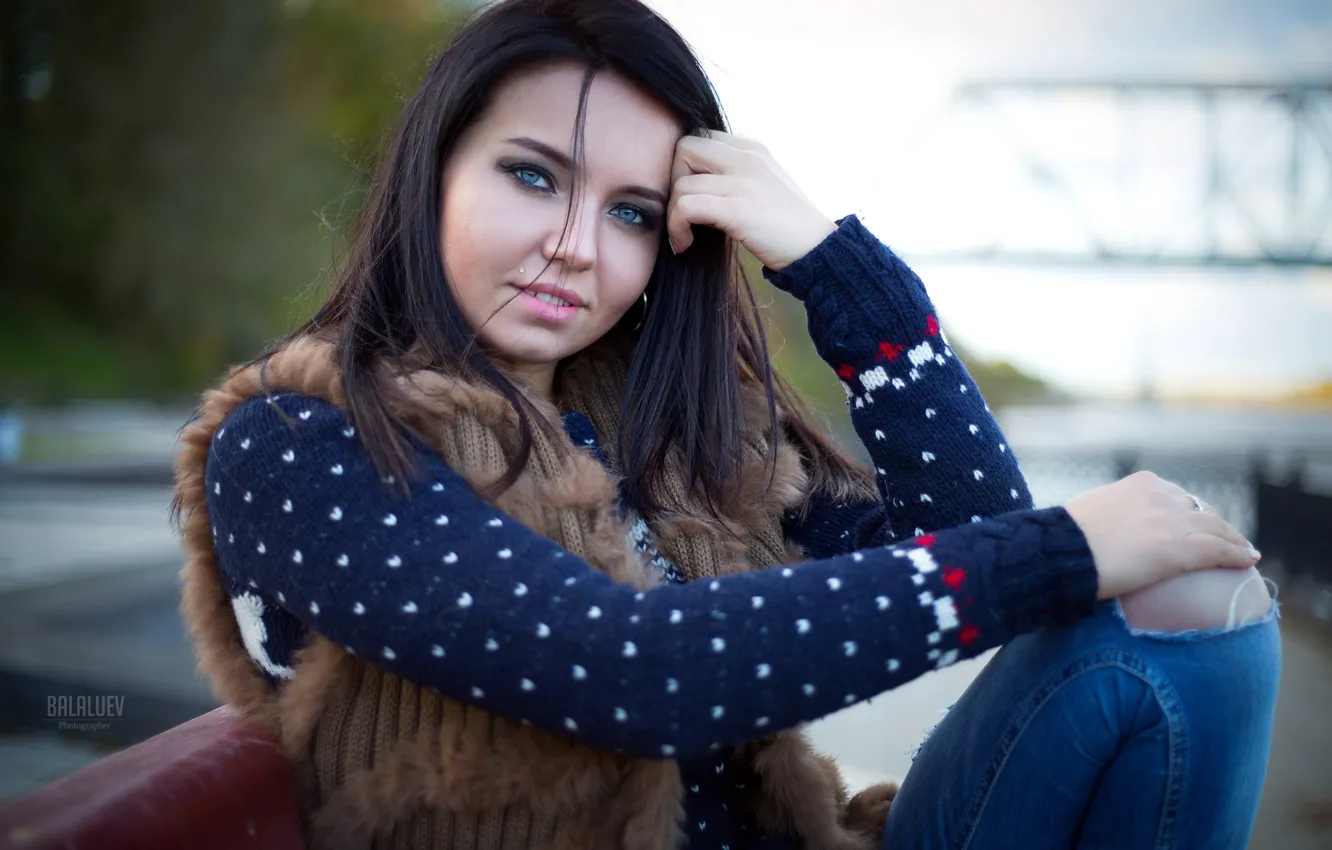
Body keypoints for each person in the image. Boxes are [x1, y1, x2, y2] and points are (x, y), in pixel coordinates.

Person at [172, 0, 1279, 847]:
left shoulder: (677, 437)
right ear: (434, 174)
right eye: (530, 175)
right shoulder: (298, 439)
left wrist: (833, 262)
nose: (575, 244)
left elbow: (973, 529)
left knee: (1200, 613)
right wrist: (1069, 543)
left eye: (631, 213)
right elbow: (625, 669)